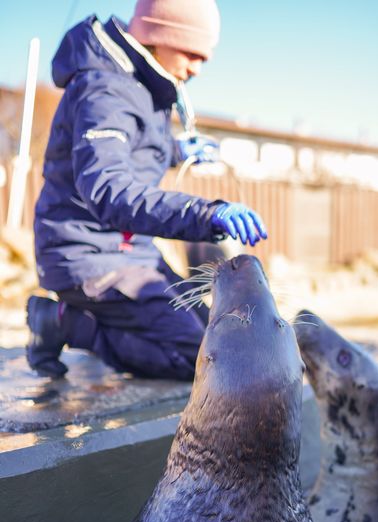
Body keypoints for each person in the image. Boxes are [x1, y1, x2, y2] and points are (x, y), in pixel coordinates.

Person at [26, 0, 267, 380]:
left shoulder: (137, 83)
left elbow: (124, 151)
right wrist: (206, 214)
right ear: (159, 35)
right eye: (191, 53)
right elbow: (108, 187)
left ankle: (103, 323)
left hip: (126, 250)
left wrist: (173, 150)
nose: (196, 68)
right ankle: (63, 322)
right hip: (85, 253)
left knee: (217, 334)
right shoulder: (105, 89)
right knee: (204, 359)